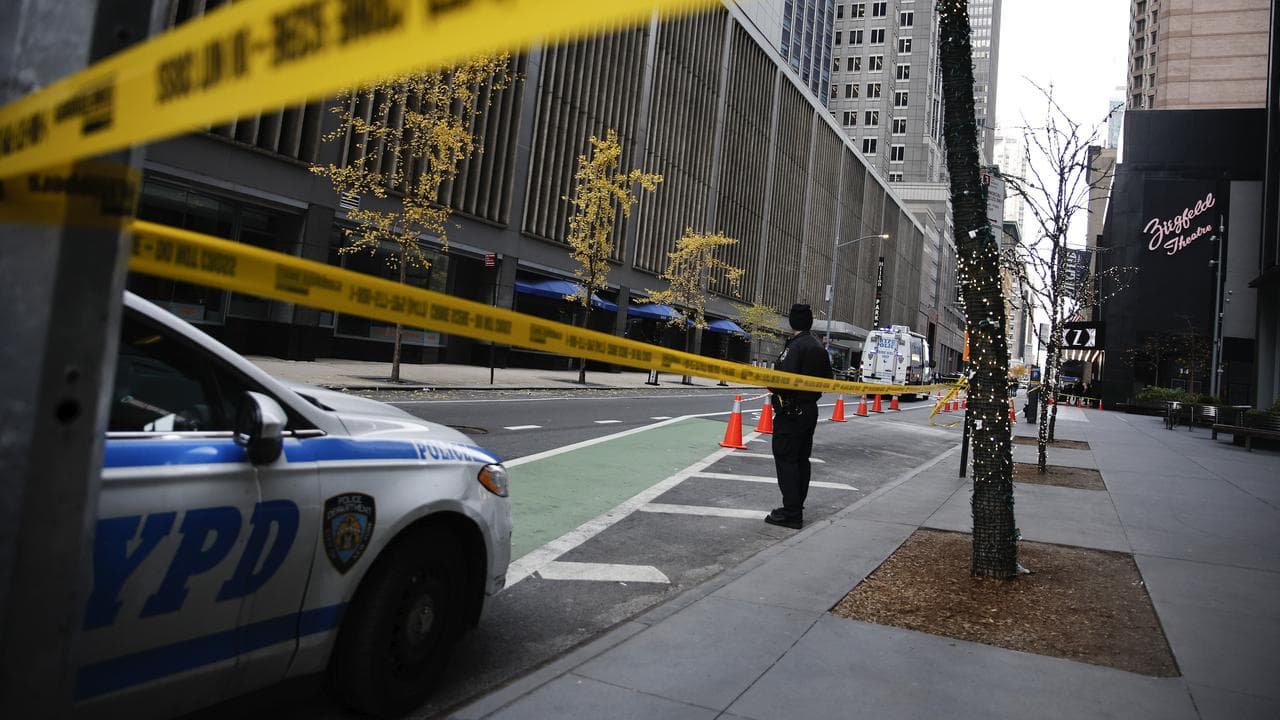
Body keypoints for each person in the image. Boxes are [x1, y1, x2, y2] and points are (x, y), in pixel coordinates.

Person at [765, 303, 833, 529]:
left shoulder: (795, 347)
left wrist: (772, 384)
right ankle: (796, 506)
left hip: (791, 411)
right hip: (809, 410)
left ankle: (791, 512)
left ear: (792, 321)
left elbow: (782, 381)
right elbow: (828, 379)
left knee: (786, 460)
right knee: (801, 460)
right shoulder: (818, 347)